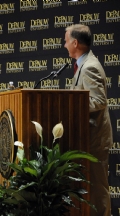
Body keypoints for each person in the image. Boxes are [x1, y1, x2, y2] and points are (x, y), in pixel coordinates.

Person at [64, 24, 112, 216]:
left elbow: (98, 101)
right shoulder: (82, 64)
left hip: (95, 139)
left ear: (75, 43)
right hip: (87, 138)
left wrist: (71, 107)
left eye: (66, 41)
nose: (64, 45)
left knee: (98, 189)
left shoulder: (90, 66)